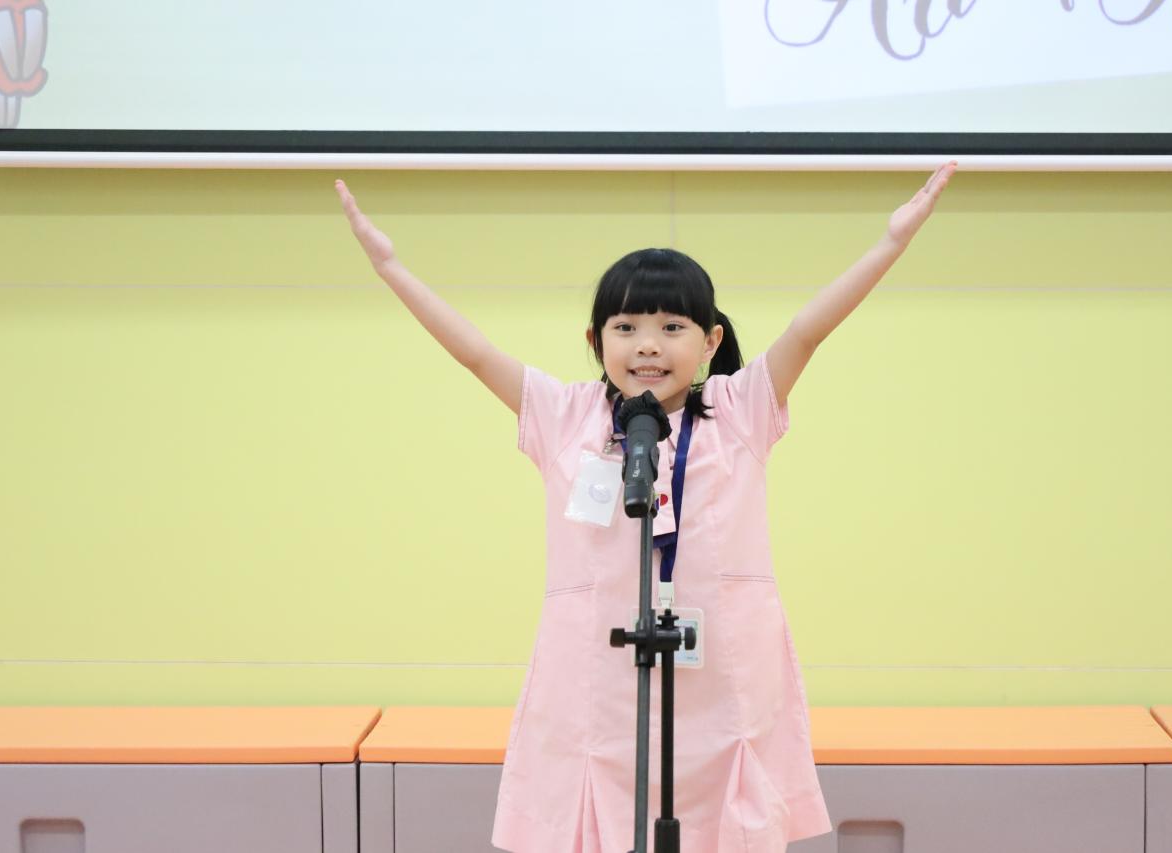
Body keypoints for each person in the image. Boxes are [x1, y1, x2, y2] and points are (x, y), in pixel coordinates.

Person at [335, 161, 957, 852]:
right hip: (597, 685)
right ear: (595, 341)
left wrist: (891, 242)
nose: (648, 345)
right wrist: (391, 268)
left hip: (720, 679)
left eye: (672, 325)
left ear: (711, 341)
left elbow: (808, 330)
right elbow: (476, 353)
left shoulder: (741, 408)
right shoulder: (565, 414)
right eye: (626, 326)